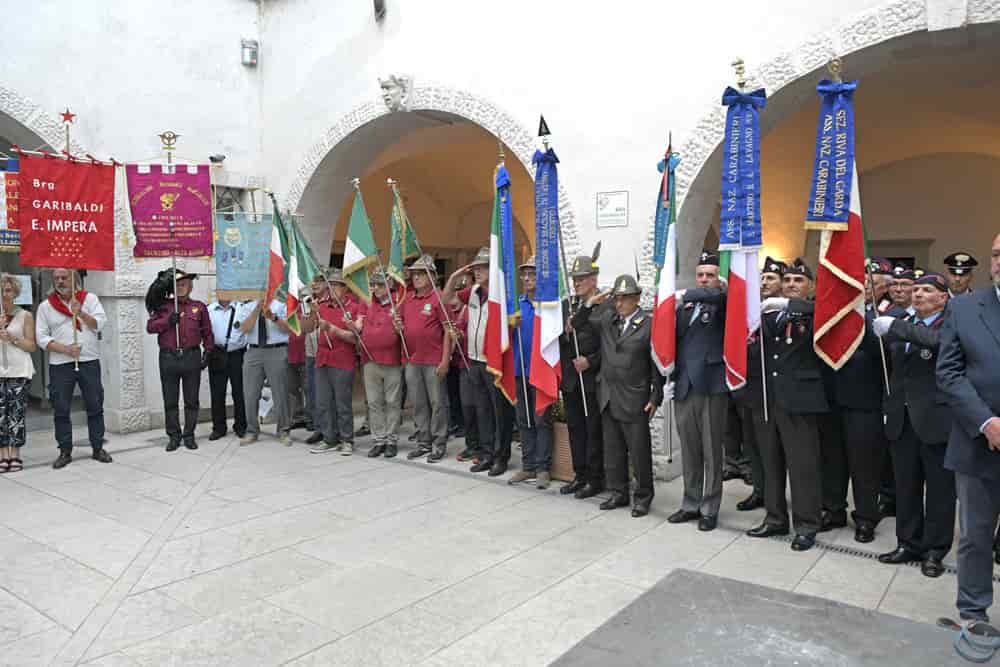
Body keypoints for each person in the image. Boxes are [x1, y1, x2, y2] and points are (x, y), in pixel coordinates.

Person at [872, 271, 955, 578]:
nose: (918, 294)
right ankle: (908, 542)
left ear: (943, 298)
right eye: (916, 289)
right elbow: (892, 373)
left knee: (939, 490)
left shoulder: (949, 325)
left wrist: (896, 325)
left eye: (927, 290)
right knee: (905, 485)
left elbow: (939, 344)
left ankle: (935, 550)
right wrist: (887, 407)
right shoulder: (906, 326)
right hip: (901, 417)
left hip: (936, 419)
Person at [936, 233, 1000, 624]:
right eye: (996, 254)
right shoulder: (964, 309)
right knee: (975, 535)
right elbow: (949, 373)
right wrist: (987, 421)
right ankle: (974, 611)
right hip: (977, 442)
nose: (999, 262)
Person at [746, 259, 827, 551]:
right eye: (788, 280)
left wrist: (786, 306)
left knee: (802, 466)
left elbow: (827, 315)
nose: (792, 285)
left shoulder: (814, 311)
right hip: (766, 398)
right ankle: (775, 517)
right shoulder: (765, 314)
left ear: (811, 286)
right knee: (770, 463)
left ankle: (806, 524)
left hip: (800, 401)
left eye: (799, 281)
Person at [572, 274, 664, 517]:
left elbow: (656, 363)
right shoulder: (608, 320)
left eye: (624, 299)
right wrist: (591, 304)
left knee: (639, 451)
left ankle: (643, 496)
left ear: (636, 299)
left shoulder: (647, 324)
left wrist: (656, 396)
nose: (619, 303)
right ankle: (619, 492)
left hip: (634, 395)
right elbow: (580, 324)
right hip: (608, 394)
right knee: (613, 451)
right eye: (617, 298)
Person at [816, 270, 890, 543]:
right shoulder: (832, 314)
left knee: (864, 466)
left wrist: (862, 318)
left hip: (865, 403)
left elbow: (881, 354)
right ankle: (834, 510)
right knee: (833, 461)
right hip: (832, 400)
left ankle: (866, 518)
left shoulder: (877, 317)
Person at [668, 251, 729, 532]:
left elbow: (718, 297)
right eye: (701, 275)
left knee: (711, 450)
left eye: (710, 276)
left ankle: (710, 507)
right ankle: (690, 502)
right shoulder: (683, 307)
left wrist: (686, 292)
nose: (705, 280)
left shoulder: (722, 301)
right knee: (690, 449)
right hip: (684, 384)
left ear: (719, 279)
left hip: (711, 384)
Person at [445, 247, 515, 475]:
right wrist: (455, 277)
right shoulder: (472, 291)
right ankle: (486, 454)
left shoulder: (500, 294)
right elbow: (445, 301)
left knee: (499, 412)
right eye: (475, 268)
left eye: (482, 267)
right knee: (482, 411)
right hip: (474, 360)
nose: (477, 272)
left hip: (494, 361)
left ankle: (500, 457)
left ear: (492, 270)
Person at [37, 268, 110, 469]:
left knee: (95, 404)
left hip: (88, 361)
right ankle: (65, 450)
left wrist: (82, 313)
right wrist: (66, 350)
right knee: (61, 408)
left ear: (74, 278)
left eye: (64, 277)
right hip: (60, 364)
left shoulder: (90, 299)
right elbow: (41, 338)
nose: (60, 281)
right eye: (57, 278)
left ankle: (97, 447)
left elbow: (100, 324)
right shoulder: (45, 306)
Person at [730, 257, 787, 512]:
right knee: (754, 447)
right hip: (752, 390)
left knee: (778, 452)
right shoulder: (751, 311)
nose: (764, 282)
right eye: (762, 278)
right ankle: (761, 492)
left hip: (780, 395)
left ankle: (782, 499)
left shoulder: (788, 311)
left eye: (771, 278)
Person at [147, 271, 214, 451]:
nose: (181, 287)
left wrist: (207, 352)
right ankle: (174, 436)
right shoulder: (163, 307)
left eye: (184, 283)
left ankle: (189, 435)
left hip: (191, 356)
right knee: (170, 400)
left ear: (190, 286)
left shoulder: (199, 307)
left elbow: (207, 332)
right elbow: (150, 327)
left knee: (191, 400)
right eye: (177, 284)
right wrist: (168, 322)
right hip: (169, 358)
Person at [558, 254, 605, 499]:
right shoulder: (568, 305)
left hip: (592, 378)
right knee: (575, 428)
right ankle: (580, 474)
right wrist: (565, 333)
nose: (577, 283)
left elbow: (609, 344)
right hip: (571, 378)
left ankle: (596, 478)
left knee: (593, 430)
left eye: (582, 279)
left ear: (594, 278)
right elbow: (560, 338)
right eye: (575, 279)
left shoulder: (604, 305)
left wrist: (591, 361)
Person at [398, 255, 451, 462]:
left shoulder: (439, 298)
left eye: (421, 274)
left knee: (437, 403)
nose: (417, 277)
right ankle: (423, 441)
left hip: (434, 360)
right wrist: (398, 327)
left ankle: (439, 444)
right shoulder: (408, 298)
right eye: (414, 274)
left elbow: (448, 330)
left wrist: (445, 360)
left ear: (432, 276)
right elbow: (402, 327)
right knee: (418, 403)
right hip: (412, 360)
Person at [508, 256, 554, 489]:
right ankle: (527, 466)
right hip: (520, 369)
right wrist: (509, 325)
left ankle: (543, 468)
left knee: (541, 420)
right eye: (524, 275)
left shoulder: (549, 306)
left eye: (532, 274)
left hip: (542, 371)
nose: (527, 278)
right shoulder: (517, 305)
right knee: (523, 419)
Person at [306, 269, 362, 455]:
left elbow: (355, 338)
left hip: (343, 359)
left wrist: (332, 329)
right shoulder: (322, 306)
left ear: (345, 288)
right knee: (323, 402)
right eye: (331, 285)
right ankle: (329, 438)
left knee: (342, 403)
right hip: (323, 358)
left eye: (337, 285)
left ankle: (347, 439)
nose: (333, 288)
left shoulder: (353, 307)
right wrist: (312, 313)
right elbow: (306, 328)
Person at [237, 295, 292, 446]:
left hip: (277, 350)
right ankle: (252, 431)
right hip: (253, 351)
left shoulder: (281, 303)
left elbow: (290, 328)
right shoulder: (246, 306)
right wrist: (257, 309)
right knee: (250, 394)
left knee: (280, 393)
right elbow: (244, 328)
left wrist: (273, 317)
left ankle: (283, 430)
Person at [361, 270, 403, 458]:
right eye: (373, 285)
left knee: (392, 402)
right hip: (370, 360)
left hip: (392, 360)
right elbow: (359, 324)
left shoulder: (399, 302)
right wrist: (353, 326)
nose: (375, 288)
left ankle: (391, 440)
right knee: (374, 403)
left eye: (379, 285)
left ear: (389, 285)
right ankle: (378, 440)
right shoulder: (367, 302)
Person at [0, 275, 36, 474]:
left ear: (15, 293)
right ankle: (2, 454)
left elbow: (31, 346)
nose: (3, 294)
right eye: (1, 290)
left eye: (7, 290)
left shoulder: (24, 315)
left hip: (19, 370)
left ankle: (15, 454)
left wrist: (12, 337)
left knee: (16, 414)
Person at [207, 297, 248, 441]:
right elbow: (204, 332)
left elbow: (248, 331)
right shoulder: (209, 309)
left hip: (238, 355)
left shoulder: (242, 308)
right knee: (217, 393)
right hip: (217, 354)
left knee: (240, 392)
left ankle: (241, 426)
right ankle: (219, 428)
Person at [304, 274, 329, 445]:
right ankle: (318, 428)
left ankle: (331, 429)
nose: (315, 285)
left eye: (319, 282)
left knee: (329, 395)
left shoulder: (334, 302)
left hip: (329, 352)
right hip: (311, 353)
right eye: (313, 282)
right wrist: (311, 311)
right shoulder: (308, 302)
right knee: (313, 392)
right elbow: (305, 327)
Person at [287, 331, 310, 430]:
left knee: (309, 388)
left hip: (306, 353)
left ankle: (311, 418)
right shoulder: (283, 314)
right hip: (288, 353)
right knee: (292, 388)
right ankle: (297, 417)